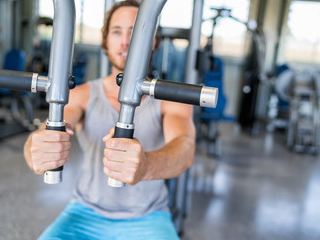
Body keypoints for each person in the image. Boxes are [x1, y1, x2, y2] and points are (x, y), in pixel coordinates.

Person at [23, 1, 195, 239]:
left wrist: (145, 165)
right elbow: (44, 133)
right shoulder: (82, 95)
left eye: (136, 30)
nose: (126, 41)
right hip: (84, 212)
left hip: (148, 216)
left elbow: (184, 149)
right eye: (117, 31)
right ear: (105, 41)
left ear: (152, 41)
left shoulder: (172, 99)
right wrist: (38, 148)